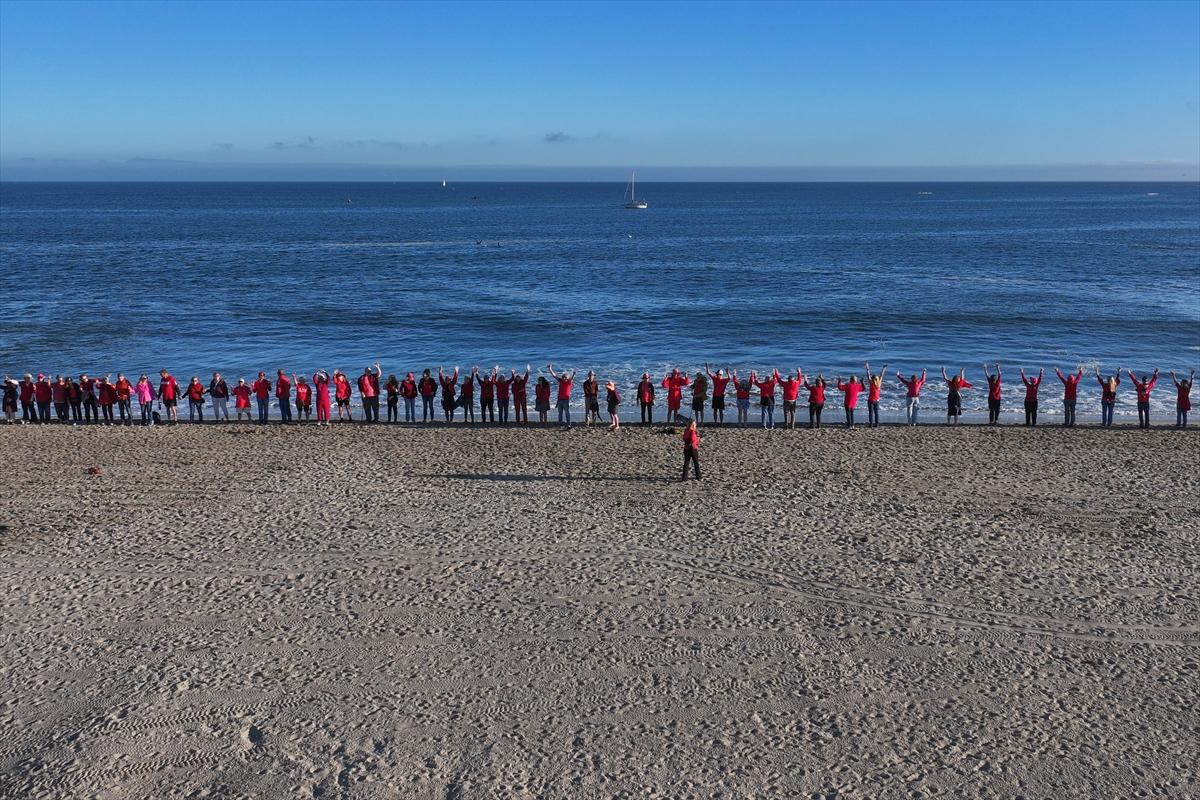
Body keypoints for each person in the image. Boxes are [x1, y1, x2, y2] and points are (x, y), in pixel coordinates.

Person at [863, 362, 888, 428]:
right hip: (876, 400)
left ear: (872, 379)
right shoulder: (879, 384)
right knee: (876, 412)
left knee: (871, 412)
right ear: (877, 379)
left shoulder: (871, 383)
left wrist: (867, 368)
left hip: (870, 400)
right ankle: (877, 424)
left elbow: (868, 375)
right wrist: (883, 368)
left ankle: (871, 424)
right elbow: (881, 375)